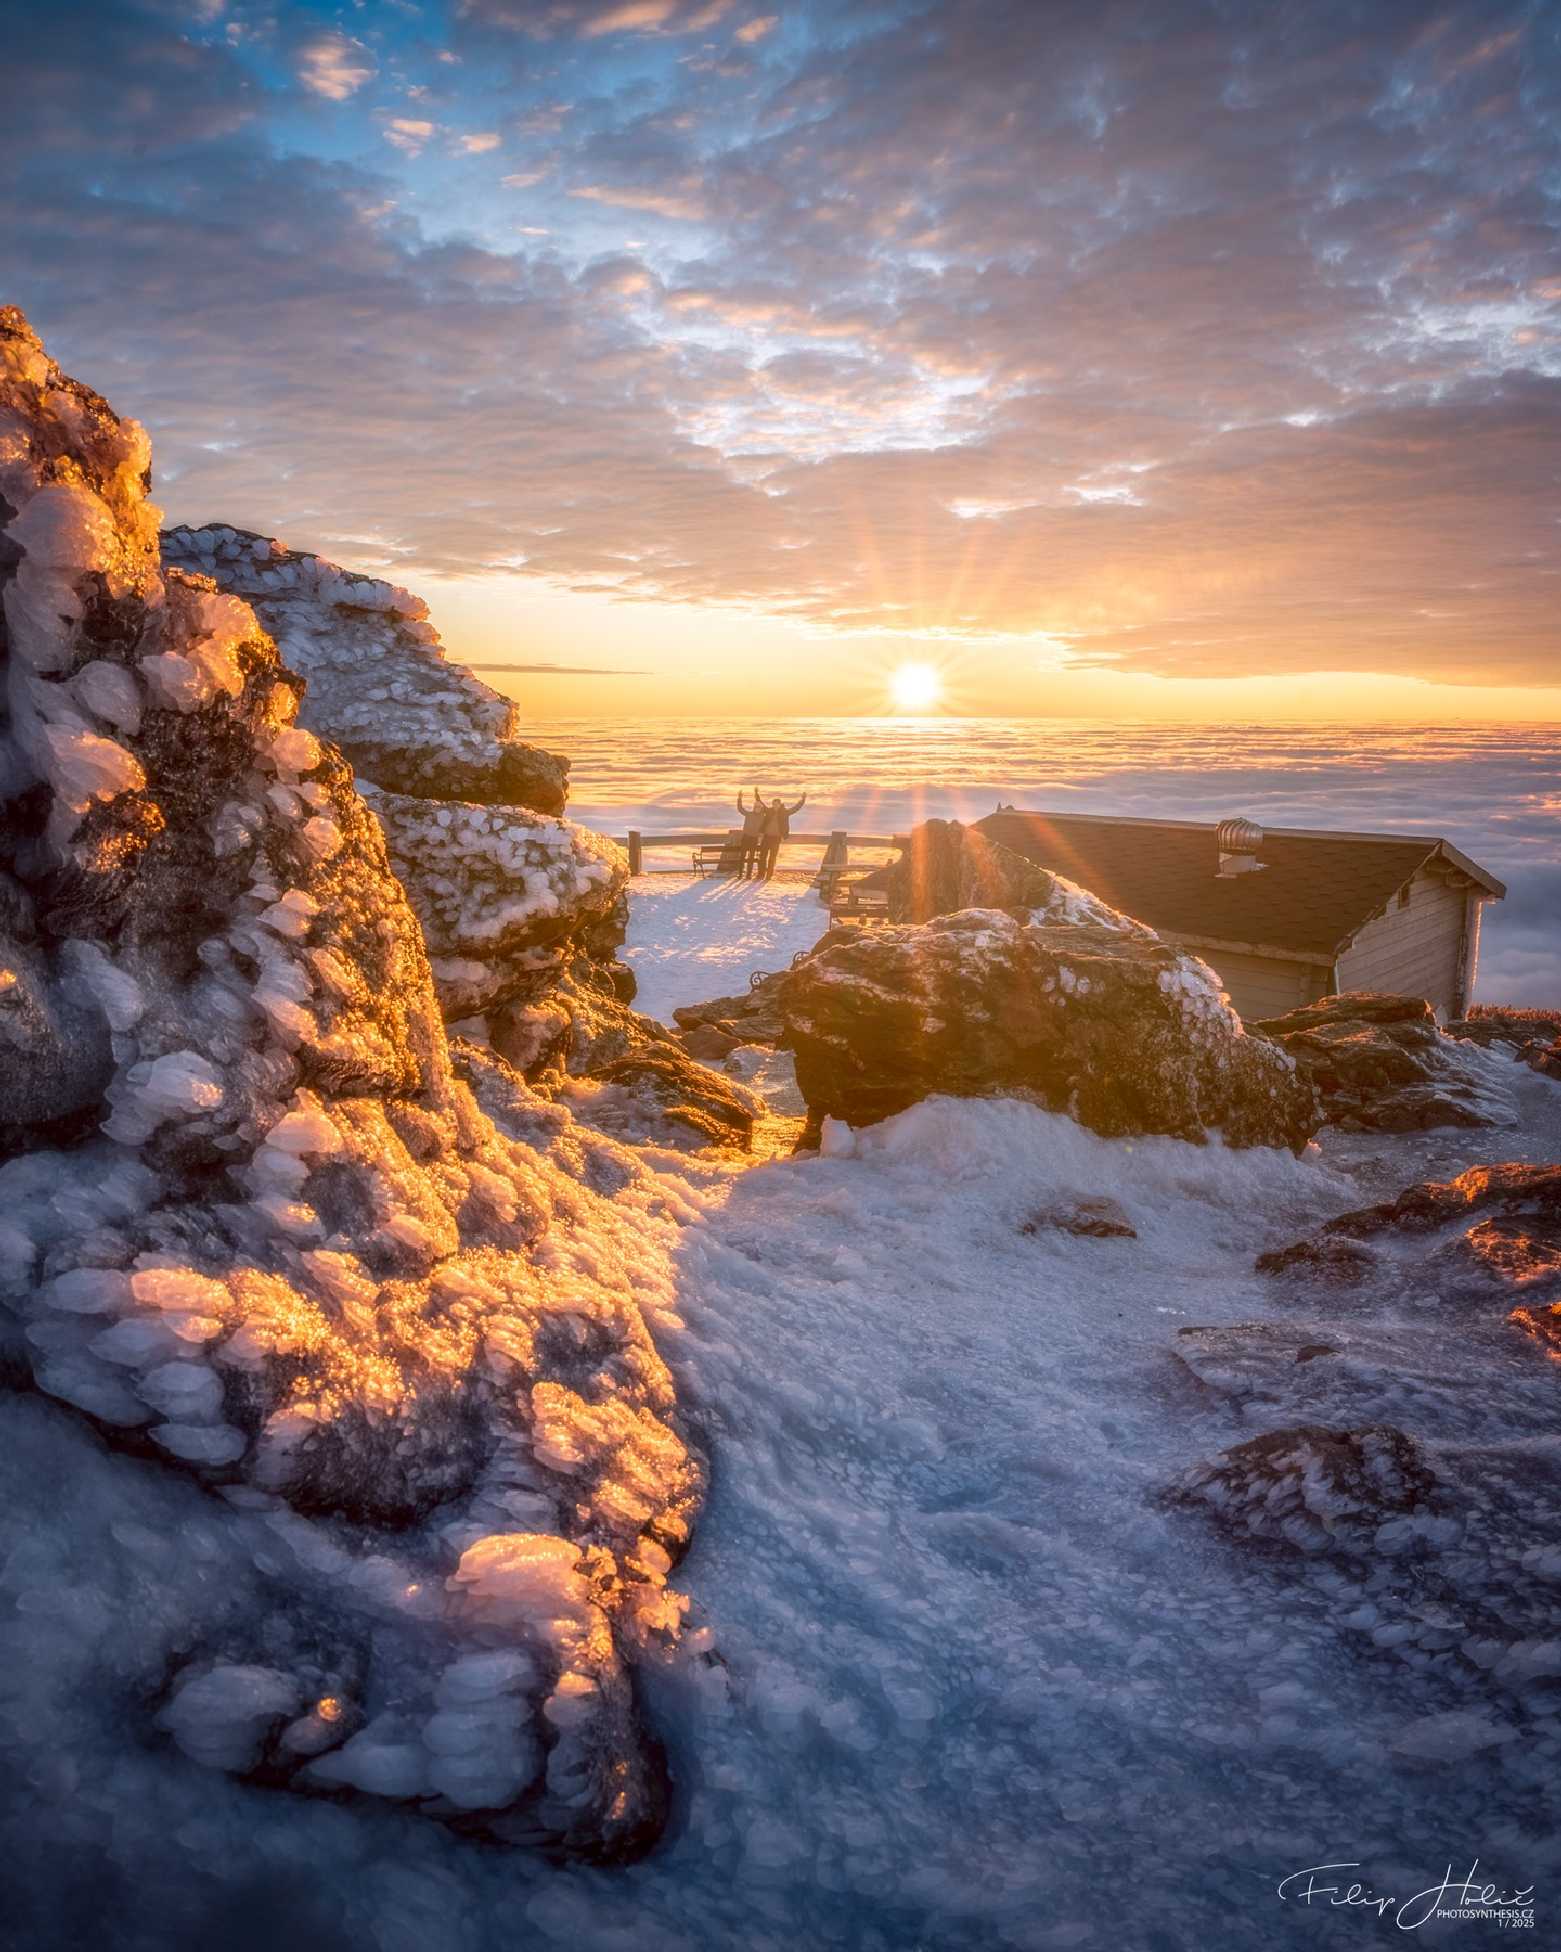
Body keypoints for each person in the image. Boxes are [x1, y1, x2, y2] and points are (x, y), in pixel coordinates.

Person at [758, 791, 806, 879]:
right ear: (772, 804)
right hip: (766, 837)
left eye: (777, 804)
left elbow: (795, 808)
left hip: (776, 838)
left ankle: (769, 875)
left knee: (772, 858)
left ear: (780, 804)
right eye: (774, 804)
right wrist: (757, 794)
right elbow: (762, 804)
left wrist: (802, 800)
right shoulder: (769, 811)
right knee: (762, 856)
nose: (775, 805)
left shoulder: (785, 812)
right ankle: (761, 874)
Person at [736, 789, 767, 877]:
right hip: (746, 837)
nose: (757, 808)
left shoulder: (763, 817)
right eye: (756, 807)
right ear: (754, 808)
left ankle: (748, 874)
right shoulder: (749, 814)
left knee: (751, 858)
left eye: (759, 807)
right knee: (742, 856)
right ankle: (740, 873)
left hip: (754, 839)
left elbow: (764, 806)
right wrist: (739, 799)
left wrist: (757, 795)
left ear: (761, 809)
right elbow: (740, 809)